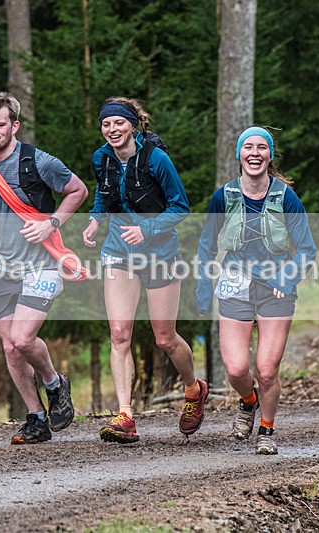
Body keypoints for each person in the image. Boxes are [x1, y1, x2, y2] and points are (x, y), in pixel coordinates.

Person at [0, 92, 89, 445]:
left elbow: (78, 190)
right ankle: (36, 417)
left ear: (14, 125)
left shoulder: (38, 162)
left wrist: (52, 224)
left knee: (22, 338)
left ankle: (55, 383)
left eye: (0, 124)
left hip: (41, 265)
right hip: (2, 268)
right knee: (11, 348)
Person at [82, 97, 208, 443]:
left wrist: (148, 229)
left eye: (118, 123)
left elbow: (181, 207)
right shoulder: (100, 159)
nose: (112, 130)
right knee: (120, 333)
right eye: (106, 124)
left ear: (133, 126)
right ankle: (126, 415)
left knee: (165, 338)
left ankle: (194, 390)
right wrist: (95, 221)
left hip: (160, 252)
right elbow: (103, 197)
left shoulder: (157, 159)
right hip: (118, 251)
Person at [196, 126, 316, 455]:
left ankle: (266, 429)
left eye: (261, 147)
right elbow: (206, 247)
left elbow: (306, 249)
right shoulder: (223, 197)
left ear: (270, 155)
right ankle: (248, 402)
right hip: (235, 284)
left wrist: (287, 279)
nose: (254, 153)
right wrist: (203, 289)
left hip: (275, 289)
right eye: (247, 147)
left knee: (266, 370)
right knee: (236, 369)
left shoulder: (286, 197)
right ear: (238, 155)